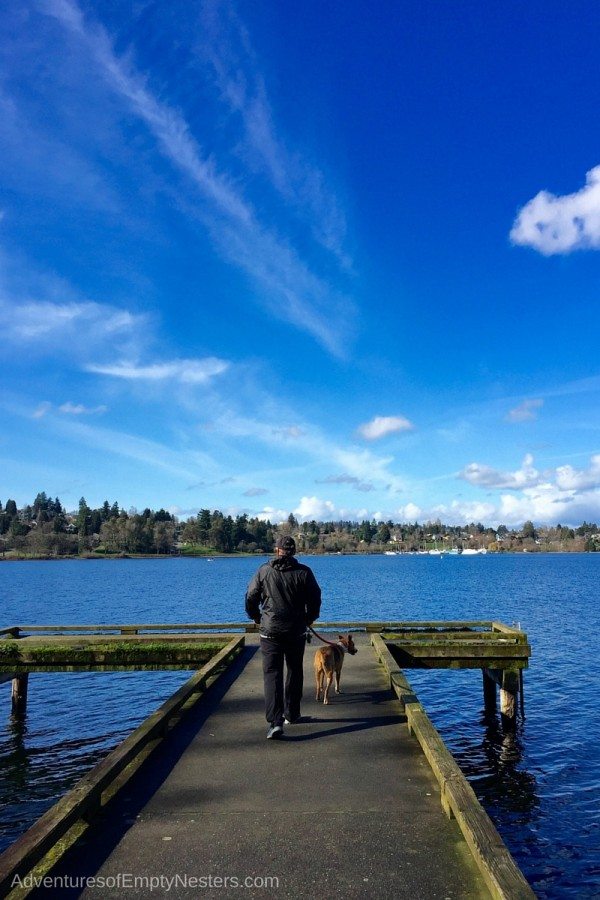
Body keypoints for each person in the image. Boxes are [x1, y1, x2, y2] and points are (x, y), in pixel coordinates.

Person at [245, 535, 321, 739]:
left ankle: (275, 721)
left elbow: (251, 596)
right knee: (294, 671)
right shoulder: (304, 572)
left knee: (272, 674)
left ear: (277, 550)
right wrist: (309, 619)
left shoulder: (263, 571)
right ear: (293, 551)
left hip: (270, 631)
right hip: (296, 630)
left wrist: (256, 617)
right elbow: (315, 598)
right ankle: (292, 713)